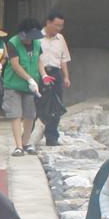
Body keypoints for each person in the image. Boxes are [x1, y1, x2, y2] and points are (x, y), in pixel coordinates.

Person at [3, 19, 45, 157]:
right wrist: (29, 79)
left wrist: (43, 75)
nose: (29, 41)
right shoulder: (13, 42)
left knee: (30, 115)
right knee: (16, 114)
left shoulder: (37, 43)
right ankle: (18, 146)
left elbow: (39, 60)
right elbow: (15, 65)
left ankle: (26, 142)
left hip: (30, 86)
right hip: (13, 85)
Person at [38, 12, 71, 146]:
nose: (58, 28)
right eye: (56, 25)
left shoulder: (61, 38)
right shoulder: (37, 38)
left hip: (55, 73)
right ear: (48, 23)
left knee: (57, 105)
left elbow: (64, 59)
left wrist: (66, 77)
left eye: (61, 26)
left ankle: (52, 137)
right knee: (40, 103)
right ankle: (34, 134)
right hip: (41, 72)